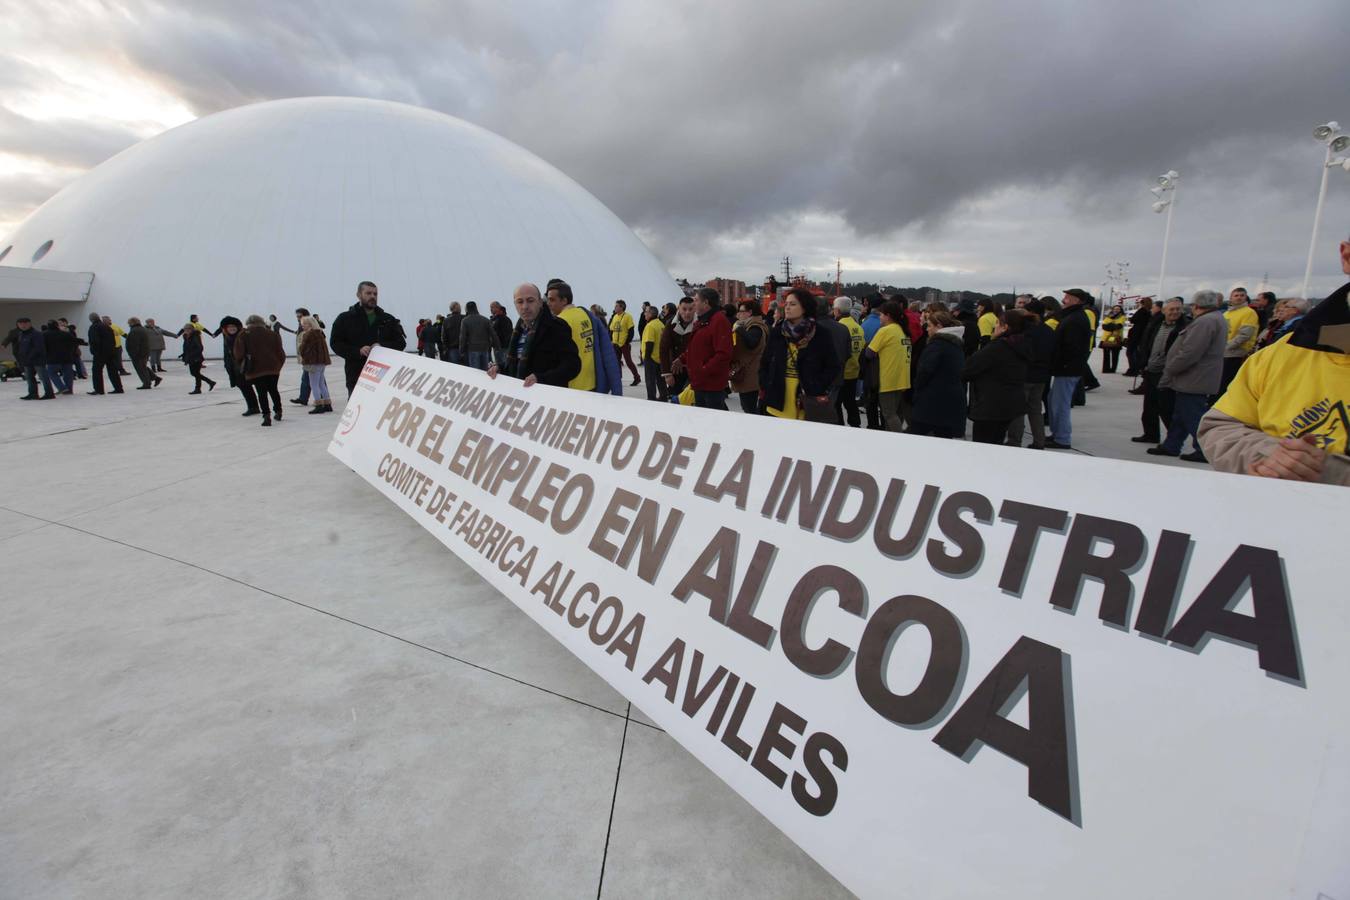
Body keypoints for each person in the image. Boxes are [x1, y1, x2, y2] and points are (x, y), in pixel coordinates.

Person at [1198, 238, 1350, 486]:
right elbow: (1219, 428)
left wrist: (1330, 474)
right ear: (1347, 256)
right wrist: (1267, 455)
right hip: (1270, 517)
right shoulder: (1283, 353)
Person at [1146, 290, 1227, 462]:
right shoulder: (1214, 318)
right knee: (1181, 415)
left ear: (1197, 306)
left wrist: (1171, 368)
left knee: (1193, 414)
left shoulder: (1205, 322)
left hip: (1194, 377)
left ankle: (1204, 449)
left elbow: (1190, 352)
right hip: (1195, 376)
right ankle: (1172, 444)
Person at [761, 288, 839, 422]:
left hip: (807, 403)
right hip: (776, 403)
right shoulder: (777, 333)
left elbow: (833, 366)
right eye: (786, 304)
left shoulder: (820, 334)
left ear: (804, 307)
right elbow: (765, 363)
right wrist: (766, 385)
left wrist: (816, 387)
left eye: (793, 304)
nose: (787, 308)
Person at [487, 283, 580, 387]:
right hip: (521, 395)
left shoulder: (556, 327)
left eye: (530, 300)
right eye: (520, 302)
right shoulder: (517, 332)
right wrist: (499, 368)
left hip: (548, 397)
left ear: (540, 302)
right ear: (515, 304)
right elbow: (515, 365)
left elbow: (573, 365)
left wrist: (541, 378)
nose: (525, 306)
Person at [962, 308, 1031, 444]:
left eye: (998, 323)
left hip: (990, 405)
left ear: (1005, 327)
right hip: (1009, 403)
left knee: (984, 445)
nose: (995, 326)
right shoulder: (1022, 344)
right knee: (996, 442)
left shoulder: (998, 347)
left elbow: (968, 369)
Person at [546, 280, 622, 395]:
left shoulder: (559, 322)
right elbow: (607, 351)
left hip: (572, 388)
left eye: (552, 300)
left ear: (564, 300)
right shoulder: (586, 314)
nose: (548, 303)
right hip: (594, 384)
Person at [330, 281, 407, 395]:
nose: (372, 296)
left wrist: (381, 346)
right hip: (356, 374)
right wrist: (358, 351)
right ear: (359, 295)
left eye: (375, 294)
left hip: (383, 375)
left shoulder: (388, 319)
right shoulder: (345, 318)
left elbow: (401, 343)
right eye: (368, 293)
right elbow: (336, 343)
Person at [1131, 297, 1187, 445]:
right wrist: (1143, 363)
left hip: (1168, 373)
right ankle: (1150, 434)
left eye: (1178, 309)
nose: (1175, 312)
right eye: (1171, 309)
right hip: (1151, 369)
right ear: (1164, 311)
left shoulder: (1185, 327)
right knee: (1149, 407)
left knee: (1167, 408)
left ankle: (1173, 441)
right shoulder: (1156, 324)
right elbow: (1146, 343)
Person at [1045, 288, 1093, 450]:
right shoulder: (1073, 317)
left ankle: (1062, 438)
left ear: (1076, 300)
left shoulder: (1075, 319)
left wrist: (1061, 363)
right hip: (1066, 368)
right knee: (1055, 401)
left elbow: (1072, 347)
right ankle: (1058, 433)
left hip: (1068, 369)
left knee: (1060, 403)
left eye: (1067, 297)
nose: (1063, 299)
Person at [908, 310, 966, 438]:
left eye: (929, 325)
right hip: (949, 402)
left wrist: (916, 390)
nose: (927, 329)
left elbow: (924, 372)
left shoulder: (937, 345)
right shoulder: (956, 344)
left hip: (931, 403)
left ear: (939, 326)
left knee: (913, 438)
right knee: (943, 440)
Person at [1006, 299, 1055, 449]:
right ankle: (1039, 441)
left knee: (1017, 409)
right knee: (1035, 410)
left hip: (1025, 375)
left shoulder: (1026, 331)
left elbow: (1020, 351)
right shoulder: (1048, 330)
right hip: (1041, 376)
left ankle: (1014, 441)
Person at [862, 299, 914, 432]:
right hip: (903, 379)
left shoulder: (885, 331)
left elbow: (869, 353)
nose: (879, 317)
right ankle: (891, 438)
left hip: (888, 379)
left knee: (889, 414)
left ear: (888, 316)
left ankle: (898, 439)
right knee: (898, 413)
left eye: (881, 314)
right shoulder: (903, 331)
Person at [680, 287, 734, 410]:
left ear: (706, 303)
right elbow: (697, 348)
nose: (694, 303)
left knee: (713, 422)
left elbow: (724, 353)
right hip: (700, 383)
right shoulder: (703, 321)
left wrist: (704, 369)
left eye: (697, 300)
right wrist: (682, 359)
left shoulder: (719, 321)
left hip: (711, 385)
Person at [234, 314, 287, 426]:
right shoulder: (272, 334)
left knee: (261, 392)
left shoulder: (244, 335)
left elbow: (239, 353)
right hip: (273, 367)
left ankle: (266, 415)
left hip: (255, 368)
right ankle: (278, 411)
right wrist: (278, 365)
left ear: (248, 323)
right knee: (273, 390)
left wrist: (242, 364)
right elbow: (281, 352)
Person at [1219, 286, 1260, 394]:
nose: (1239, 298)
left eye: (1242, 295)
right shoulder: (1226, 314)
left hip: (1235, 354)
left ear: (1246, 297)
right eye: (1236, 295)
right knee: (1220, 382)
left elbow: (1244, 335)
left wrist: (1227, 347)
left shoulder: (1249, 312)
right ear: (1231, 298)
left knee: (1226, 382)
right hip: (1223, 352)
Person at [729, 301, 767, 413]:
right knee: (747, 407)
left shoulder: (755, 327)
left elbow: (752, 343)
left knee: (749, 408)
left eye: (741, 311)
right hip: (750, 372)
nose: (738, 315)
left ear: (750, 312)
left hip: (750, 374)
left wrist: (739, 329)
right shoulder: (750, 326)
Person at [832, 296, 865, 427]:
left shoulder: (839, 327)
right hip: (854, 371)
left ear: (838, 311)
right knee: (850, 403)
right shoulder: (858, 327)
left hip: (842, 373)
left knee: (836, 404)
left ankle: (840, 427)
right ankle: (855, 426)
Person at [217, 316, 258, 415]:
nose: (231, 328)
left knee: (251, 387)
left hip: (245, 366)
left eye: (233, 326)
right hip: (235, 367)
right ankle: (253, 407)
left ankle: (257, 407)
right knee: (243, 387)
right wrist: (227, 365)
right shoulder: (227, 337)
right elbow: (227, 353)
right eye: (229, 327)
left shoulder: (244, 335)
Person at [660, 296, 697, 399]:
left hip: (695, 370)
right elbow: (663, 349)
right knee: (676, 401)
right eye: (684, 309)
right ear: (679, 309)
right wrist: (667, 374)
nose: (687, 312)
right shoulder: (671, 324)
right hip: (676, 370)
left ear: (695, 308)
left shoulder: (700, 324)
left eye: (690, 309)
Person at [859, 295, 885, 429]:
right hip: (881, 369)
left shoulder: (864, 323)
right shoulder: (883, 327)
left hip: (867, 369)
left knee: (870, 403)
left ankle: (872, 427)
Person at [297, 315, 333, 413]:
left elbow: (303, 349)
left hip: (313, 362)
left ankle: (318, 405)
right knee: (321, 384)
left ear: (310, 324)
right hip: (321, 362)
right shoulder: (319, 333)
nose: (302, 326)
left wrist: (301, 349)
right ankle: (327, 404)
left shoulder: (308, 335)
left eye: (304, 324)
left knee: (314, 384)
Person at [289, 307, 322, 406]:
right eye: (297, 316)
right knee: (310, 379)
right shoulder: (301, 326)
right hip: (306, 358)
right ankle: (305, 398)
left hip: (311, 359)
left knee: (316, 380)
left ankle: (320, 399)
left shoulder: (311, 326)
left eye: (300, 316)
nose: (298, 318)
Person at [14, 318, 54, 400]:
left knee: (43, 377)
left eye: (25, 323)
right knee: (29, 378)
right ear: (18, 325)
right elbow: (20, 348)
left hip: (37, 360)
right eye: (20, 324)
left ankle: (49, 393)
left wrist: (30, 356)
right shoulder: (21, 334)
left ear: (30, 324)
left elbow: (39, 348)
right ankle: (33, 394)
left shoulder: (36, 334)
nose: (23, 325)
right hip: (26, 361)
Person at [86, 312, 124, 395]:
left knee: (97, 371)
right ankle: (118, 388)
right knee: (112, 370)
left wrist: (94, 351)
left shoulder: (94, 327)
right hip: (111, 352)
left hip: (100, 353)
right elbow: (113, 339)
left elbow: (94, 341)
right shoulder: (107, 326)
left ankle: (99, 389)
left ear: (91, 319)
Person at [458, 301, 500, 371]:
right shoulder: (485, 320)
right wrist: (497, 346)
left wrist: (461, 351)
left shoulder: (465, 321)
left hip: (472, 349)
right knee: (485, 372)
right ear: (476, 308)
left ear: (467, 309)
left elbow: (463, 337)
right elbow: (493, 334)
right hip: (485, 349)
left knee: (476, 373)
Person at [124, 317, 162, 389]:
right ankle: (155, 378)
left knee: (141, 368)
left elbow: (135, 344)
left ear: (132, 323)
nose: (128, 324)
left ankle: (146, 383)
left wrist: (134, 354)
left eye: (129, 323)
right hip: (144, 352)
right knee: (143, 367)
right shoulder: (141, 329)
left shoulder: (135, 331)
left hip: (139, 353)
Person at [609, 300, 641, 386]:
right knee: (616, 362)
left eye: (616, 306)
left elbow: (631, 331)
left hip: (624, 344)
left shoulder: (627, 316)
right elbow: (611, 330)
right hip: (615, 344)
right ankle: (618, 378)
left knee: (628, 362)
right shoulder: (615, 317)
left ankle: (637, 378)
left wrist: (627, 342)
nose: (615, 308)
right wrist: (611, 340)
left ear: (622, 307)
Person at [42, 320, 78, 395]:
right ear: (57, 325)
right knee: (68, 374)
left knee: (52, 373)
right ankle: (69, 389)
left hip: (52, 358)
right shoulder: (65, 334)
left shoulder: (44, 335)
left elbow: (42, 347)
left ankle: (62, 387)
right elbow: (74, 343)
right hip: (67, 357)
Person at [640, 305, 668, 402]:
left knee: (650, 380)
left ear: (651, 314)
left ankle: (651, 398)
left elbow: (649, 343)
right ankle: (664, 397)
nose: (645, 314)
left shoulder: (650, 326)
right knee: (660, 380)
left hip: (651, 358)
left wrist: (646, 358)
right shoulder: (660, 324)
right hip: (659, 357)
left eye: (646, 312)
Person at [179, 322, 216, 393]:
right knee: (195, 373)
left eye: (188, 329)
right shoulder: (186, 337)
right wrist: (183, 354)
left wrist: (193, 355)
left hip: (196, 358)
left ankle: (199, 388)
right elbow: (187, 348)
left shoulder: (195, 336)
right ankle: (209, 383)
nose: (186, 331)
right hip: (191, 358)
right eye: (185, 329)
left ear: (192, 329)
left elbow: (200, 348)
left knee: (195, 373)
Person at [1122, 297, 1154, 376]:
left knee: (1130, 352)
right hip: (1142, 335)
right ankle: (1137, 369)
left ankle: (1133, 369)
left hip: (1136, 334)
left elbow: (1133, 319)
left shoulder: (1141, 311)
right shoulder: (1149, 312)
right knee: (1136, 353)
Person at [1098, 305, 1127, 373]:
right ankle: (1106, 369)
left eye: (1118, 309)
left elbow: (1118, 326)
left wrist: (1110, 325)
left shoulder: (1122, 317)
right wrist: (1112, 325)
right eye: (1115, 309)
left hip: (1116, 338)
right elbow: (1104, 326)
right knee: (1106, 354)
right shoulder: (1108, 317)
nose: (1116, 310)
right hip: (1106, 338)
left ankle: (1113, 369)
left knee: (1115, 355)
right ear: (1112, 310)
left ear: (1120, 310)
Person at [489, 303, 512, 369]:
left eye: (492, 307)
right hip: (498, 347)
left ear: (498, 308)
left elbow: (505, 333)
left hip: (502, 347)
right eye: (490, 307)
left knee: (502, 366)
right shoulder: (495, 319)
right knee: (500, 366)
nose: (491, 309)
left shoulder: (502, 319)